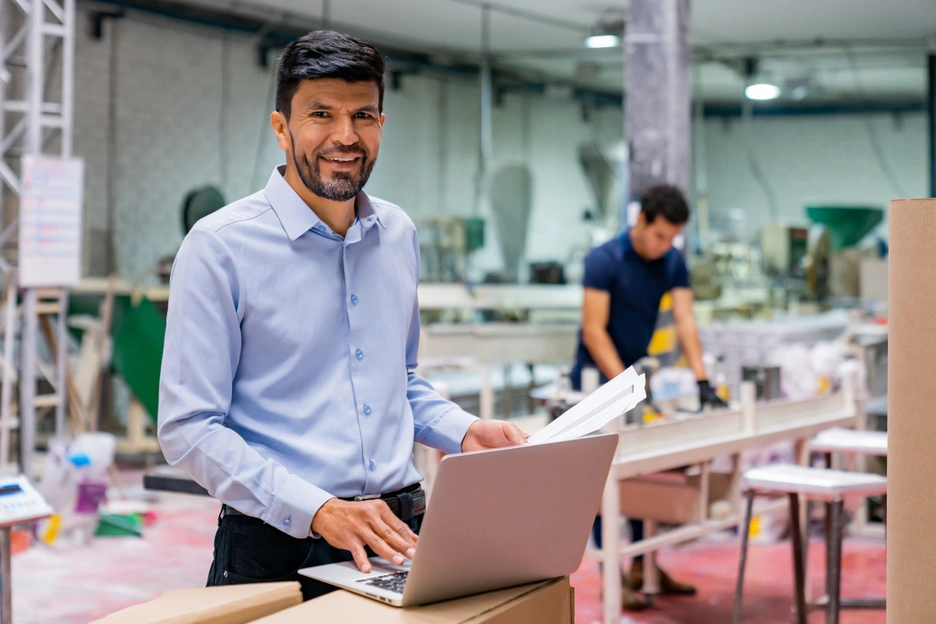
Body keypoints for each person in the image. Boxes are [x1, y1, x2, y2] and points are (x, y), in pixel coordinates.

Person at [157, 30, 527, 601]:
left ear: (382, 123)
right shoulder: (219, 247)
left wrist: (464, 431)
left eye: (364, 116)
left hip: (401, 529)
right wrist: (317, 509)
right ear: (281, 128)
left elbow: (396, 381)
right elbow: (189, 428)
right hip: (279, 543)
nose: (345, 136)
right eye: (321, 114)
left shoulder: (397, 234)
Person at [571, 184, 727, 610]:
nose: (665, 247)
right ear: (641, 221)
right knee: (604, 479)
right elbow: (593, 330)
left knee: (642, 472)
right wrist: (622, 385)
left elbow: (685, 320)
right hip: (596, 382)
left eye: (672, 239)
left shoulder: (672, 262)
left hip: (636, 379)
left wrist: (703, 381)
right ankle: (612, 576)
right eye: (660, 236)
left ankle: (645, 566)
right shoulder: (605, 260)